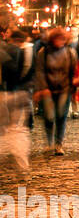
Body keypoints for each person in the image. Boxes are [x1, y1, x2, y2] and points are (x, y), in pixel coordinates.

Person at [33, 26, 79, 155]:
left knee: (61, 116)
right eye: (58, 39)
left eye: (63, 39)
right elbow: (40, 71)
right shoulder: (44, 52)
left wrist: (73, 89)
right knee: (48, 116)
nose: (60, 42)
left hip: (64, 88)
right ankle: (49, 143)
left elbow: (73, 71)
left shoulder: (70, 52)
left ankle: (59, 144)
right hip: (48, 88)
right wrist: (43, 88)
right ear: (52, 39)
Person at [0, 22, 37, 181]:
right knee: (18, 132)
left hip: (4, 94)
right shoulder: (17, 50)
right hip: (19, 93)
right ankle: (22, 168)